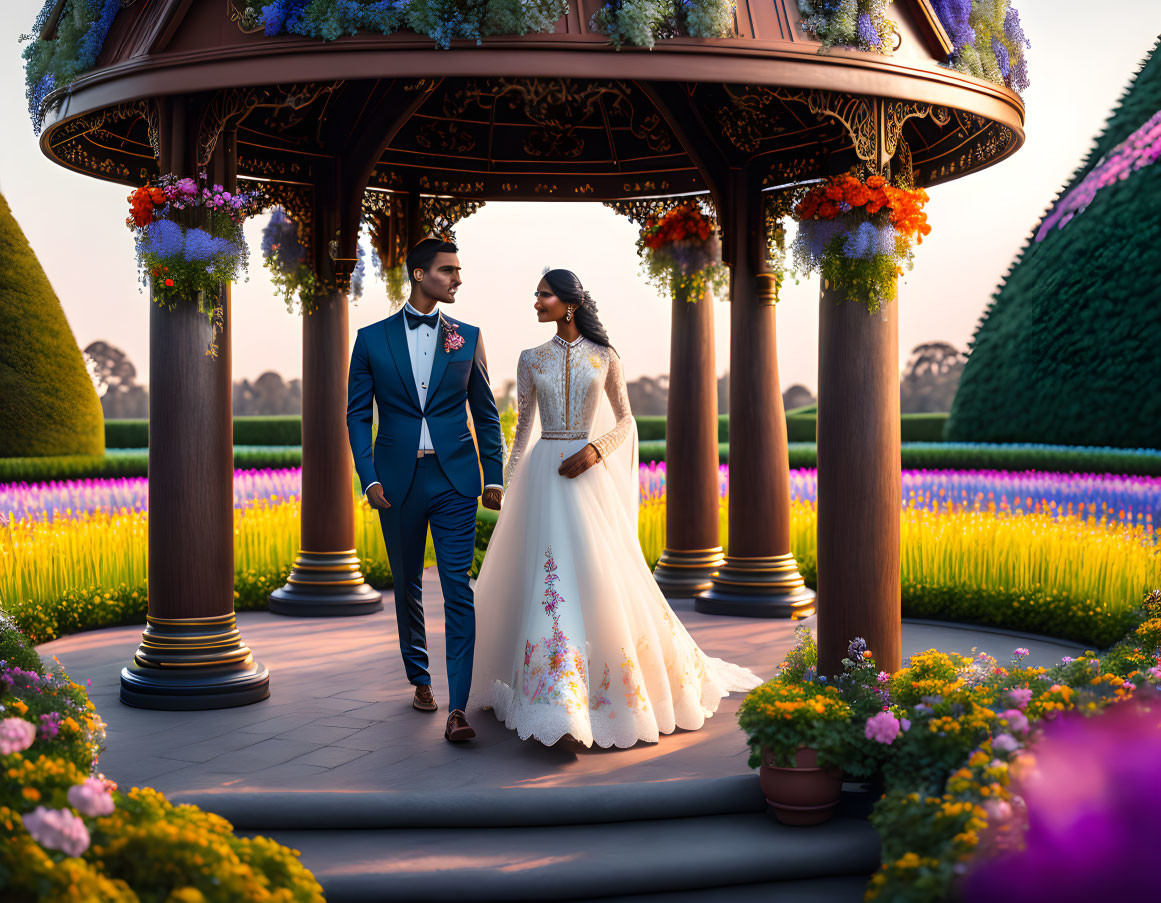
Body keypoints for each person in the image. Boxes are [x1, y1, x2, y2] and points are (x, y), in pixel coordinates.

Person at [470, 268, 761, 749]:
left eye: (542, 295)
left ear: (568, 303)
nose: (535, 302)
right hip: (544, 475)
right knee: (548, 578)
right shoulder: (529, 359)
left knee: (601, 576)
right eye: (536, 295)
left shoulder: (605, 357)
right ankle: (552, 701)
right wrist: (504, 480)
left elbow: (625, 421)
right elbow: (523, 430)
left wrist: (595, 451)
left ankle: (597, 695)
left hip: (586, 474)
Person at [346, 238, 505, 743]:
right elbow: (356, 413)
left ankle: (458, 708)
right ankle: (420, 679)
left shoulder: (469, 336)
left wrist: (493, 474)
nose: (458, 279)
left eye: (458, 271)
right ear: (419, 274)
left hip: (455, 479)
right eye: (448, 271)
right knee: (407, 583)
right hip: (394, 483)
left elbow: (485, 412)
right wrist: (368, 476)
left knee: (459, 588)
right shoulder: (371, 339)